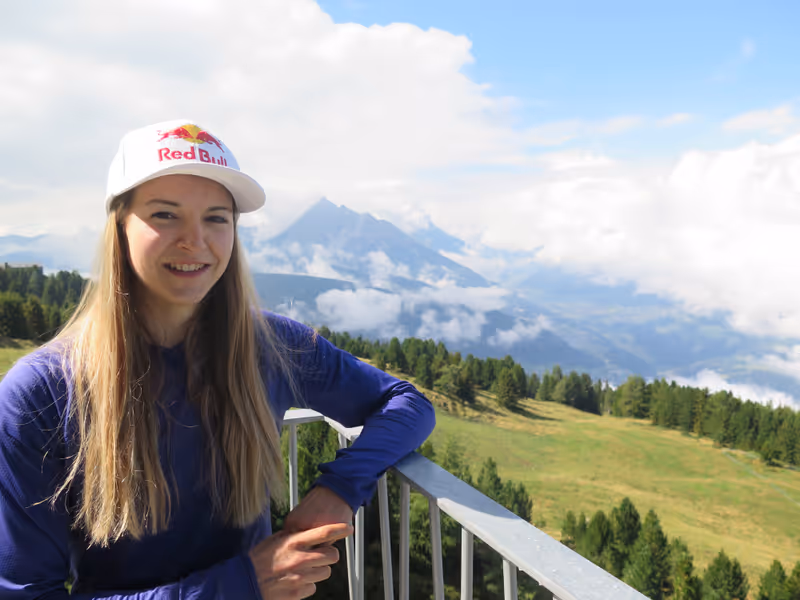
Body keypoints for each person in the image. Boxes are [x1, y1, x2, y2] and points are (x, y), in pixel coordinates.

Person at [0, 120, 436, 599]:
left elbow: (407, 403)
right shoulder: (41, 393)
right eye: (165, 215)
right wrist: (242, 584)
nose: (195, 240)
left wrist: (340, 488)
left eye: (216, 218)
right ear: (120, 226)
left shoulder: (271, 345)